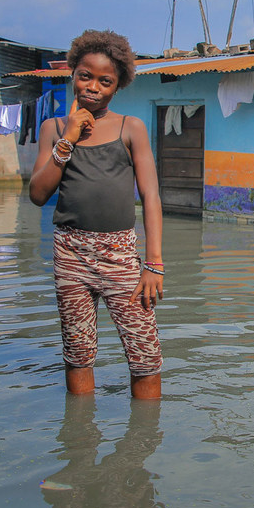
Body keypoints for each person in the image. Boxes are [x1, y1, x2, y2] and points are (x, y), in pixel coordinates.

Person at [29, 29, 164, 400]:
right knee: (78, 354)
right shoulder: (53, 129)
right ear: (72, 73)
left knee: (144, 355)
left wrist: (153, 263)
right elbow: (38, 194)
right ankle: (80, 444)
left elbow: (151, 196)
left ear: (117, 87)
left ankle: (142, 447)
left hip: (121, 255)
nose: (93, 87)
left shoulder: (129, 128)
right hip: (69, 254)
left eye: (105, 81)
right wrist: (68, 139)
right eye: (85, 75)